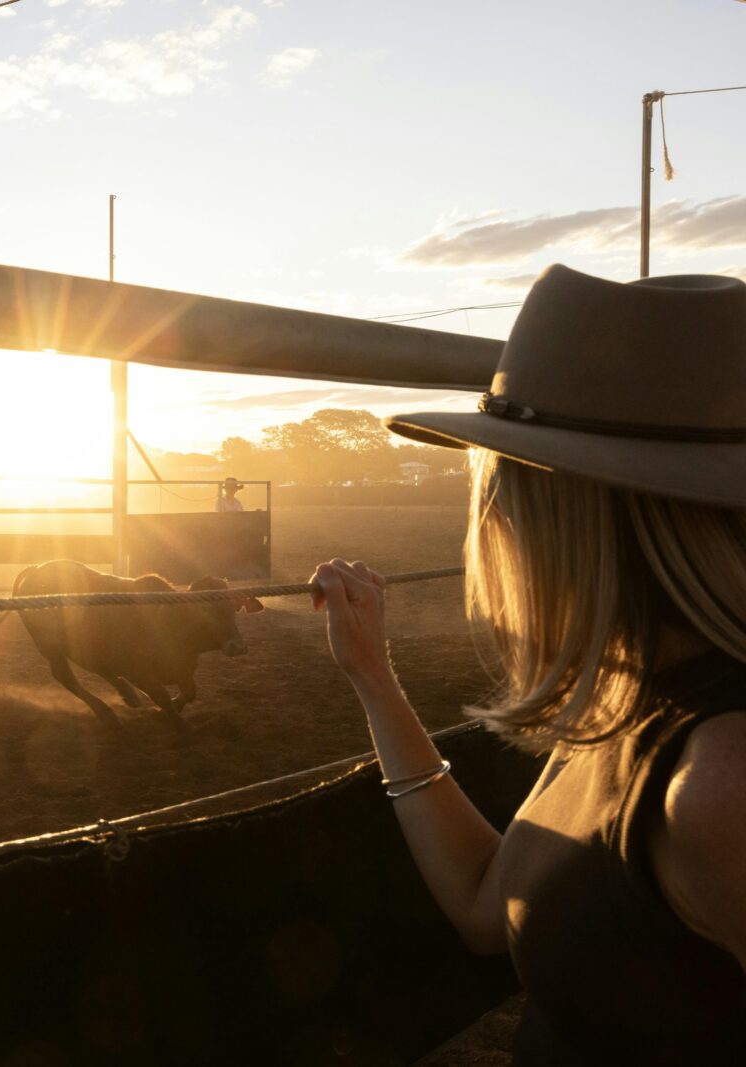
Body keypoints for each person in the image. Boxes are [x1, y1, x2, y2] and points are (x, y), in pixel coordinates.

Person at [310, 265, 745, 1064]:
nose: (491, 515)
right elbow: (485, 901)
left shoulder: (720, 778)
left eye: (505, 479)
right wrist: (373, 676)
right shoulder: (628, 697)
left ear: (572, 509)